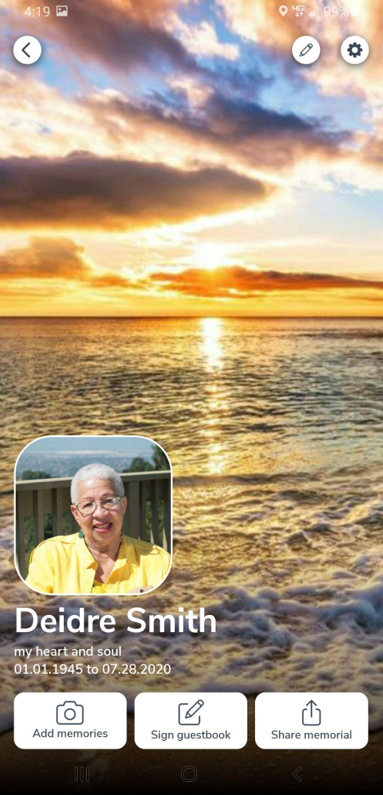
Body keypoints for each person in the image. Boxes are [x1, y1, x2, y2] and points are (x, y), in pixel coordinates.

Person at [25, 463, 171, 594]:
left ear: (123, 505)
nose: (100, 513)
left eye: (109, 501)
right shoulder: (50, 556)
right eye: (88, 504)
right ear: (76, 514)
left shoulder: (159, 562)